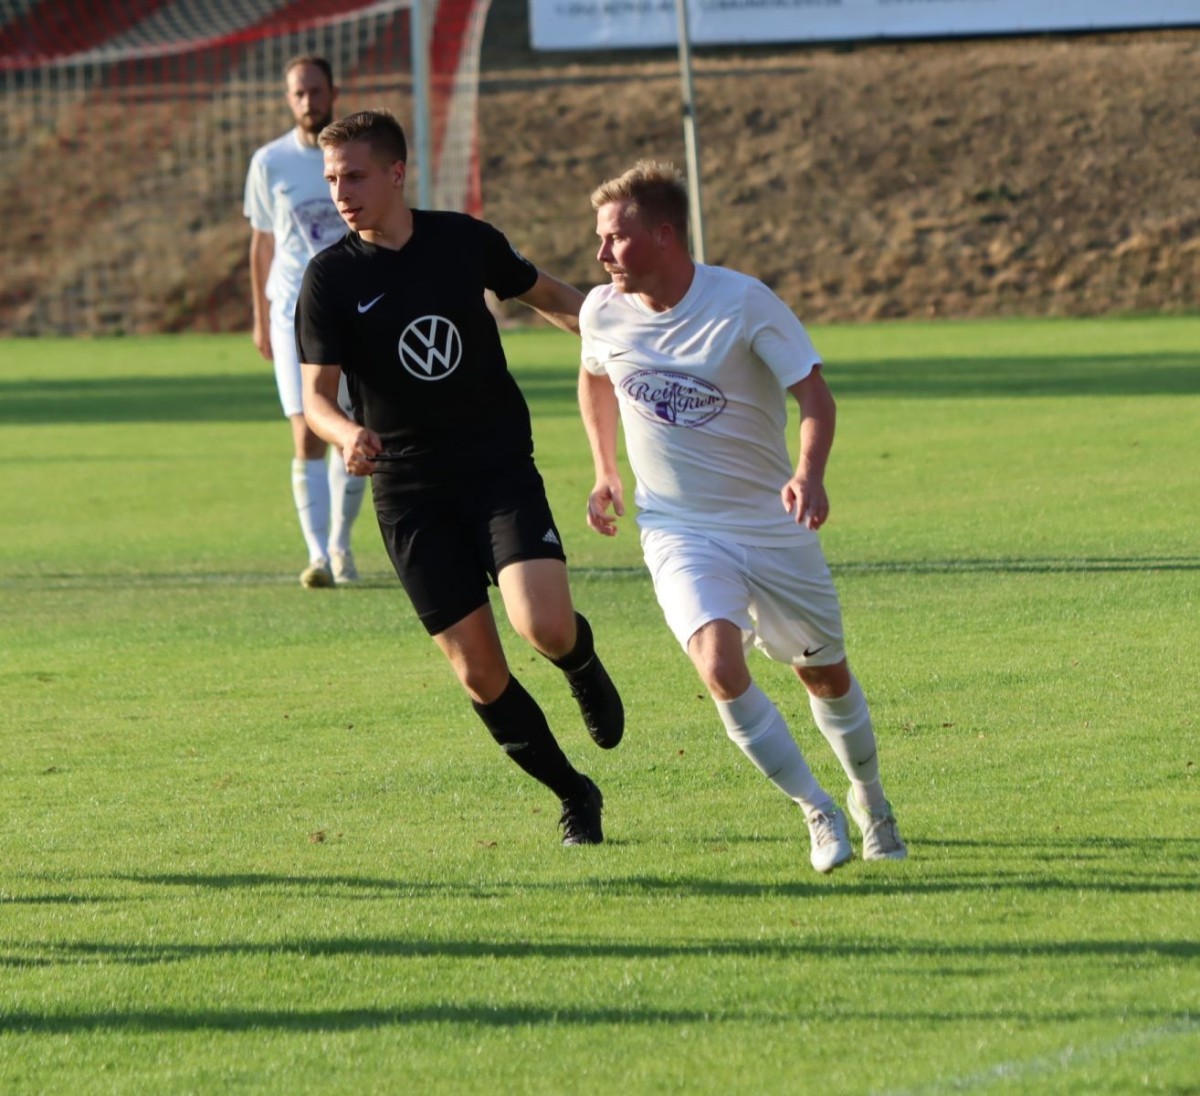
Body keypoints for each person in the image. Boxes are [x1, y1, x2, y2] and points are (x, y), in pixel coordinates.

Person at [295, 109, 624, 845]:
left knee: (542, 625)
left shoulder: (464, 241)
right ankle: (574, 792)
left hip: (496, 468)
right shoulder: (330, 279)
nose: (340, 192)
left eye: (353, 175)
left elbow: (555, 300)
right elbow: (316, 399)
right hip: (409, 494)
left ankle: (580, 658)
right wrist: (348, 433)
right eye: (331, 179)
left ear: (396, 173)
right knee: (479, 674)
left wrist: (628, 336)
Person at [577, 160, 906, 872]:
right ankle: (816, 810)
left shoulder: (745, 302)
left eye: (614, 238)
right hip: (677, 526)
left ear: (664, 235)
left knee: (825, 676)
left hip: (767, 520)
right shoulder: (601, 310)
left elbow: (816, 398)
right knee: (718, 664)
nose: (600, 255)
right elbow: (594, 374)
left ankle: (870, 799)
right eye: (599, 239)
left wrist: (807, 476)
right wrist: (606, 470)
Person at [244, 55, 366, 588]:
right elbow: (263, 241)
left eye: (315, 91)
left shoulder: (357, 155)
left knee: (357, 432)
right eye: (298, 93)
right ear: (288, 98)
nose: (307, 102)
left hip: (355, 308)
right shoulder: (270, 162)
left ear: (333, 91)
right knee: (307, 433)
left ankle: (341, 546)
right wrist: (258, 315)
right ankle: (318, 555)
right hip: (290, 312)